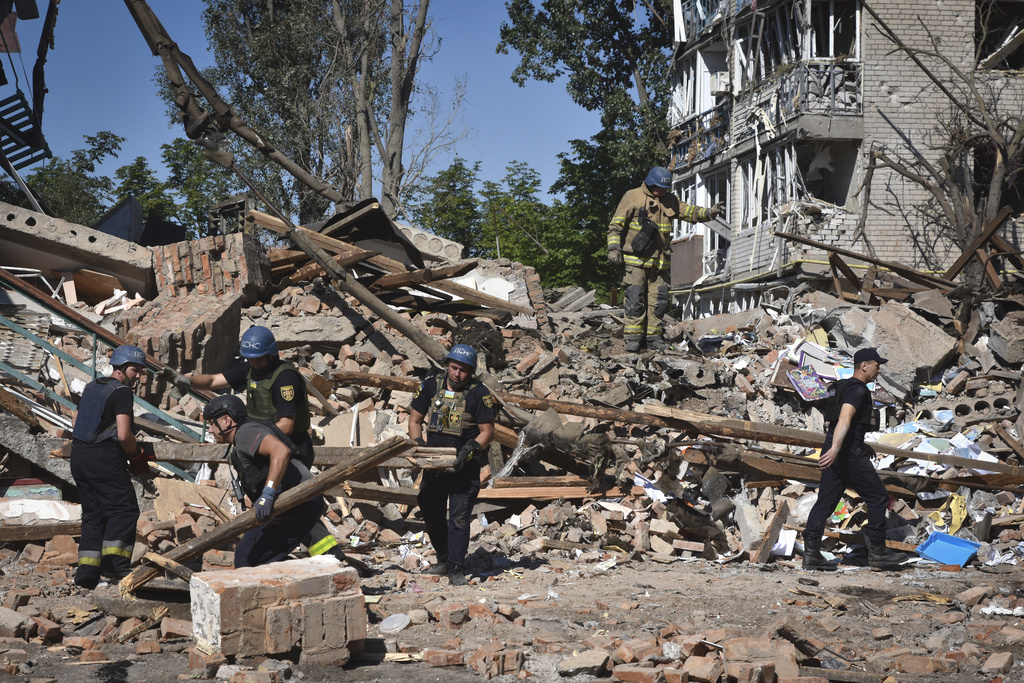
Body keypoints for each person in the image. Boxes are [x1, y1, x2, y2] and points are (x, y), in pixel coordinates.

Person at [802, 348, 908, 570]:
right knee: (878, 496)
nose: (878, 371)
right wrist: (837, 449)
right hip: (845, 453)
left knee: (826, 501)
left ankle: (811, 555)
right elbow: (844, 419)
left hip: (839, 450)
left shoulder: (841, 387)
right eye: (877, 366)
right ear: (864, 365)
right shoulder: (858, 391)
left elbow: (843, 425)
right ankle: (878, 551)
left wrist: (857, 443)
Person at [203, 395, 332, 568]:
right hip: (295, 502)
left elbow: (280, 451)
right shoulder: (242, 437)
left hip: (298, 501)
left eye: (212, 423)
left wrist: (268, 494)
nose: (210, 430)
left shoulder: (245, 433)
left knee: (247, 558)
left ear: (227, 420)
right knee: (255, 555)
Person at [607, 166, 724, 352]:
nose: (662, 192)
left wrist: (710, 212)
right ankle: (633, 339)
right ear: (649, 183)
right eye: (659, 188)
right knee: (635, 300)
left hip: (660, 262)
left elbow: (690, 212)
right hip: (635, 261)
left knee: (659, 301)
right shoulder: (632, 197)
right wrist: (614, 249)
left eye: (665, 189)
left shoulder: (670, 200)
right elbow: (615, 227)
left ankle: (654, 338)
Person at [408, 344, 496, 586]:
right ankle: (445, 558)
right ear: (447, 365)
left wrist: (467, 453)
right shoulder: (430, 385)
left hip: (464, 465)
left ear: (470, 372)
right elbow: (415, 420)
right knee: (429, 507)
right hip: (434, 463)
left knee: (459, 517)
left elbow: (487, 431)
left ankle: (457, 566)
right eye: (454, 367)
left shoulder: (480, 393)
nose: (457, 374)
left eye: (464, 370)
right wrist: (420, 448)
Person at [70, 345, 149, 589]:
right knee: (124, 510)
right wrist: (136, 457)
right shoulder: (122, 392)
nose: (138, 375)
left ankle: (86, 574)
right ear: (122, 368)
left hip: (79, 455)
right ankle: (115, 566)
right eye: (135, 370)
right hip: (103, 457)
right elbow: (125, 435)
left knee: (94, 514)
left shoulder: (93, 386)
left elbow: (76, 421)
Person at [188, 326, 314, 467]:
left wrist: (251, 437)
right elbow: (213, 381)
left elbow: (286, 426)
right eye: (250, 359)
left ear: (270, 355)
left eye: (258, 359)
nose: (254, 363)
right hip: (263, 443)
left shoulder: (285, 379)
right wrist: (187, 382)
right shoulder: (250, 369)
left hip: (291, 447)